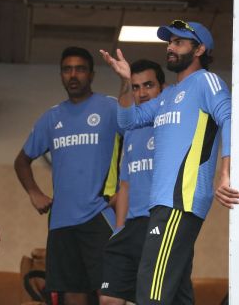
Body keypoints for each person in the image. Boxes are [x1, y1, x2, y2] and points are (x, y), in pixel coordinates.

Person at [100, 20, 239, 304]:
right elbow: (128, 120)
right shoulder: (168, 96)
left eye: (179, 42)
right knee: (175, 296)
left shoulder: (206, 81)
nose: (171, 47)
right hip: (163, 204)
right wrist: (126, 81)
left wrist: (226, 173)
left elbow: (232, 120)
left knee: (151, 292)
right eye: (170, 42)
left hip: (180, 200)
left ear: (199, 49)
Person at [14, 46, 122, 305]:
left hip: (99, 215)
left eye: (80, 69)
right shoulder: (51, 118)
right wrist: (34, 192)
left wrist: (125, 190)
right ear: (61, 75)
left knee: (109, 296)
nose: (73, 75)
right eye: (67, 69)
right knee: (72, 294)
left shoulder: (110, 108)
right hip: (61, 221)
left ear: (92, 75)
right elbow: (21, 161)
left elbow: (136, 143)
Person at [100, 59, 165, 305]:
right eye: (136, 87)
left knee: (149, 299)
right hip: (130, 225)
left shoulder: (169, 126)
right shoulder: (130, 130)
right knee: (109, 299)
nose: (142, 93)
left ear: (162, 88)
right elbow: (124, 185)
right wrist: (118, 229)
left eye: (148, 85)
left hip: (158, 222)